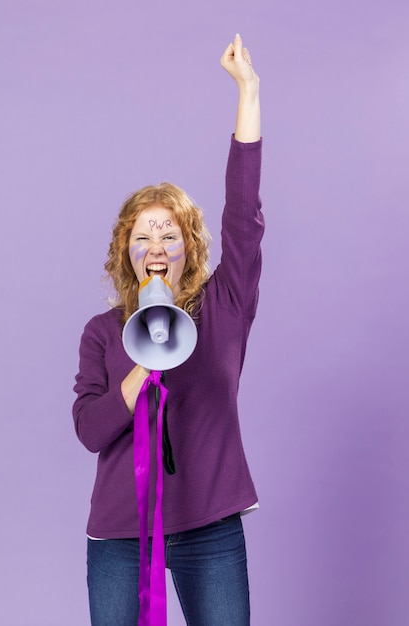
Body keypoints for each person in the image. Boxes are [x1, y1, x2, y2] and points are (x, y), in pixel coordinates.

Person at [73, 33, 263, 626]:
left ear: (189, 249)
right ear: (127, 253)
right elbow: (88, 430)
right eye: (142, 237)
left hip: (209, 529)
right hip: (120, 537)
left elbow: (243, 217)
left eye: (169, 235)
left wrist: (248, 94)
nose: (156, 246)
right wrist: (138, 375)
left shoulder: (224, 306)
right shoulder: (103, 333)